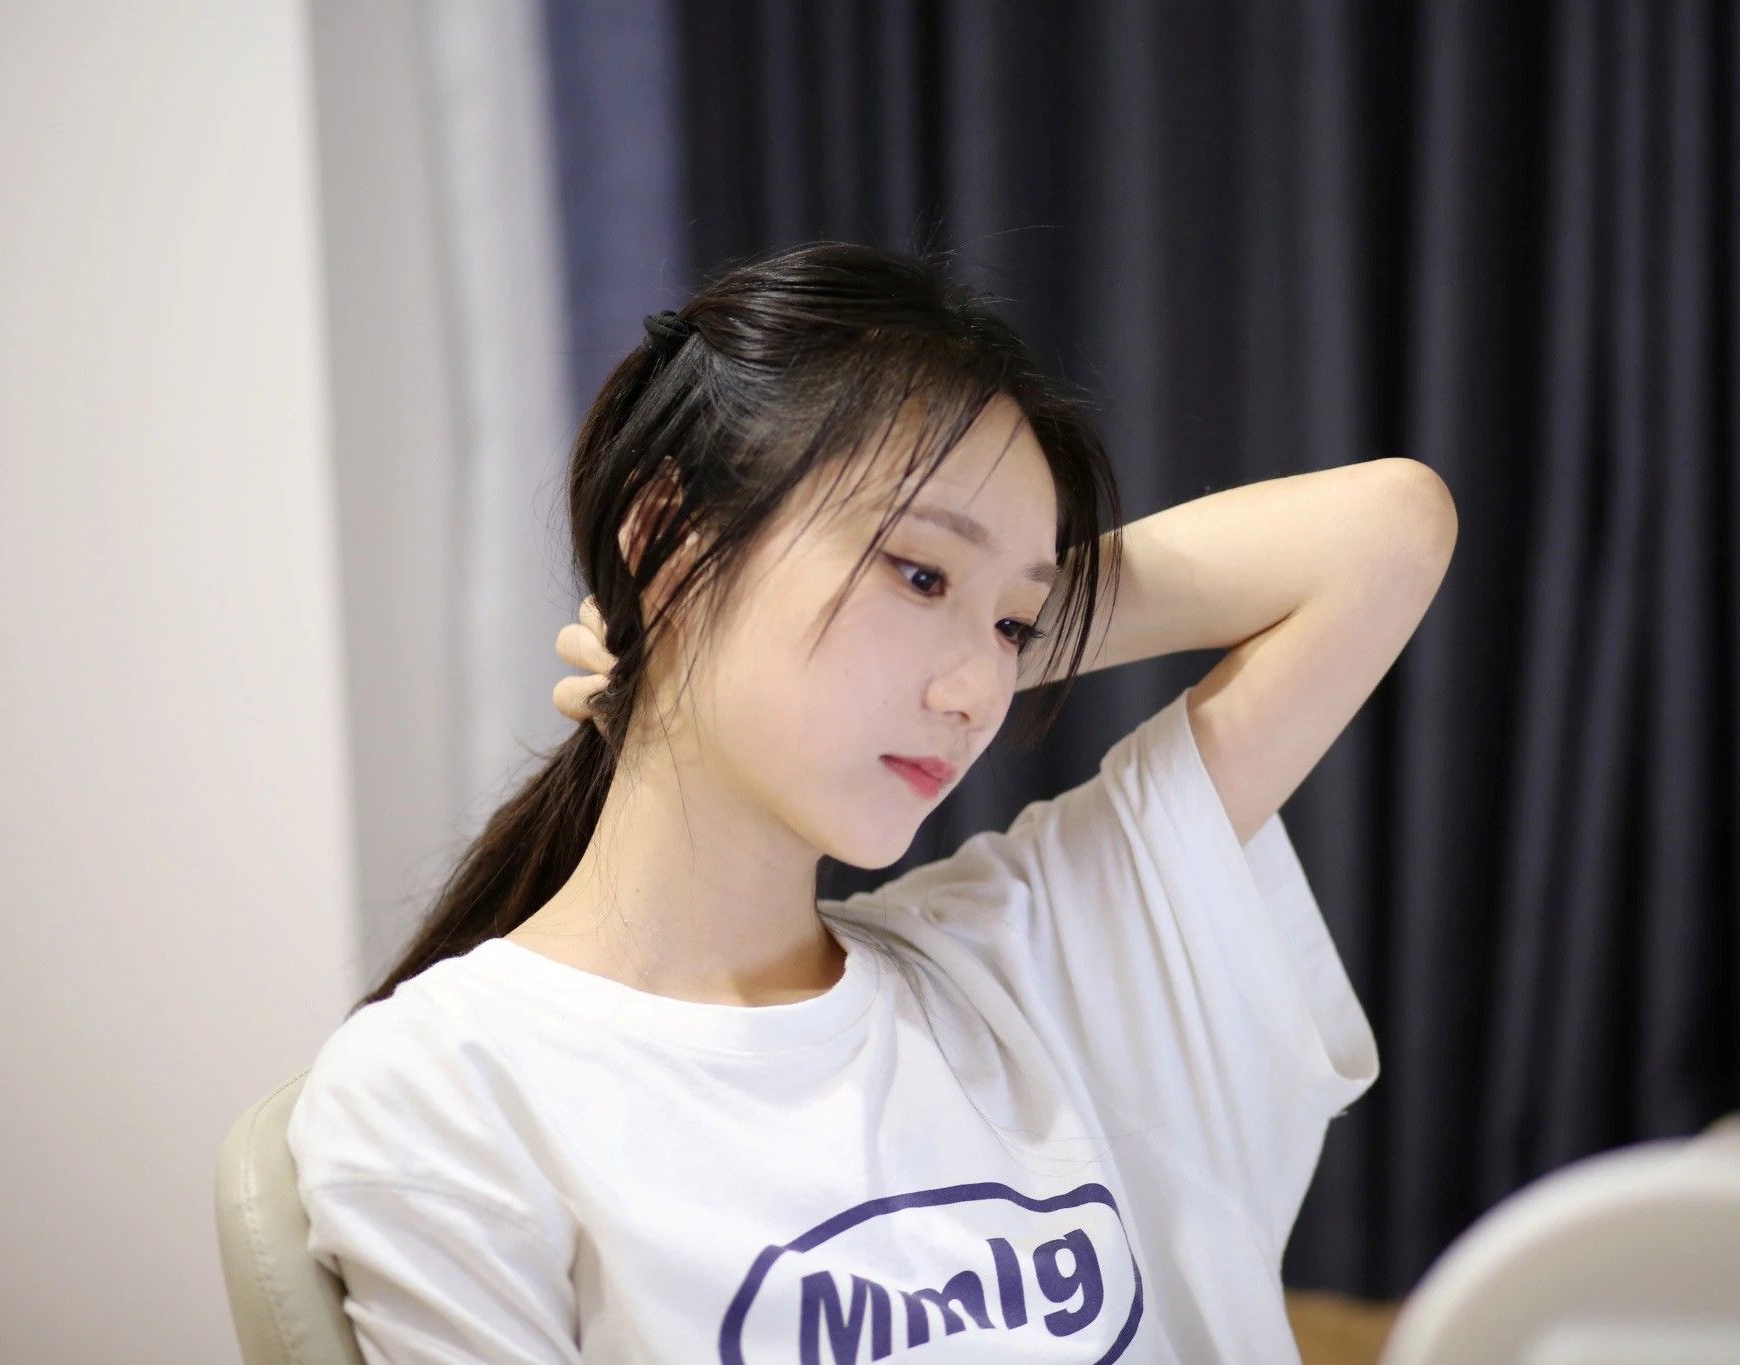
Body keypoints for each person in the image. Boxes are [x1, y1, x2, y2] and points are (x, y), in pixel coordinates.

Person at [287, 239, 1446, 1361]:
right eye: (919, 572)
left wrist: (963, 636)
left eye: (1014, 624)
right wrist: (678, 621)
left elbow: (1386, 534)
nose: (980, 693)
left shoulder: (1019, 957)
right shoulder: (443, 1094)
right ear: (666, 532)